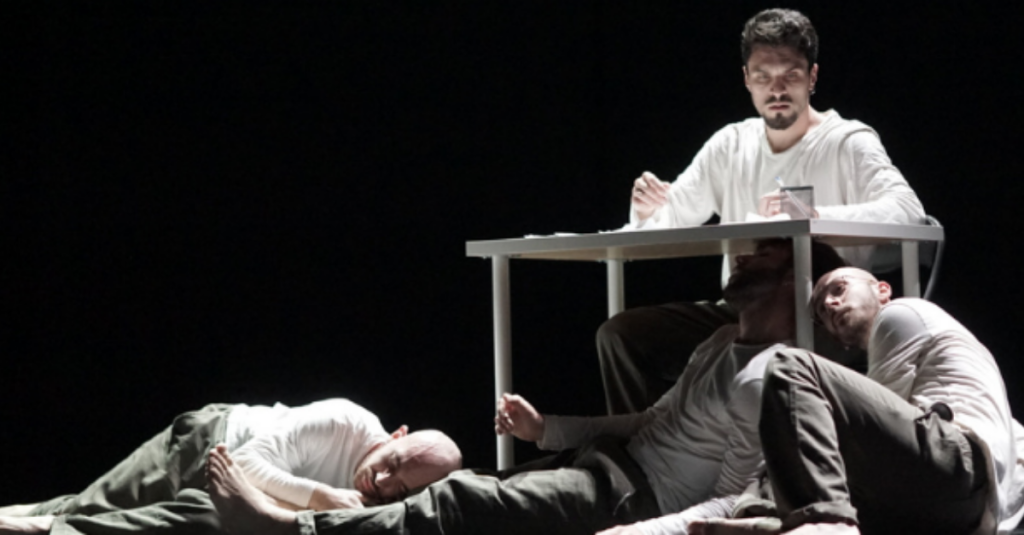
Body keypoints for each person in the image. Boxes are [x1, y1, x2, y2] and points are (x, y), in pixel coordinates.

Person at [199, 239, 847, 535]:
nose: (743, 257)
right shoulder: (721, 341)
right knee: (465, 490)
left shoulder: (766, 376)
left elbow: (730, 497)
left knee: (460, 501)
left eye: (766, 253)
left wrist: (648, 531)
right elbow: (648, 421)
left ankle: (294, 529)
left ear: (796, 279)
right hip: (608, 465)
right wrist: (548, 428)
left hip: (634, 497)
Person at [599, 7, 926, 415]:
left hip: (822, 317)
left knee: (764, 369)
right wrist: (647, 213)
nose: (777, 89)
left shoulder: (846, 141)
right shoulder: (730, 144)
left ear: (812, 77)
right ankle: (642, 451)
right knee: (622, 335)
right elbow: (669, 220)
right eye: (763, 77)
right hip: (744, 314)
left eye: (790, 75)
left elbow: (909, 213)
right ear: (746, 79)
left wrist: (815, 216)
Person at [692, 267, 1024, 535]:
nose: (830, 304)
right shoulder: (938, 365)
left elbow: (866, 451)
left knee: (792, 366)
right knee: (792, 459)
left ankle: (823, 522)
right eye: (821, 311)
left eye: (839, 289)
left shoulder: (902, 313)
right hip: (957, 508)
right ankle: (776, 520)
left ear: (882, 290)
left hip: (954, 466)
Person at [0, 398, 461, 535]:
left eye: (401, 489)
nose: (381, 482)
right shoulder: (346, 421)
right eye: (390, 463)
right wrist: (324, 497)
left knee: (88, 515)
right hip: (206, 446)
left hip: (228, 488)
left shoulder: (389, 506)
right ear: (396, 435)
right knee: (88, 513)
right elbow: (243, 464)